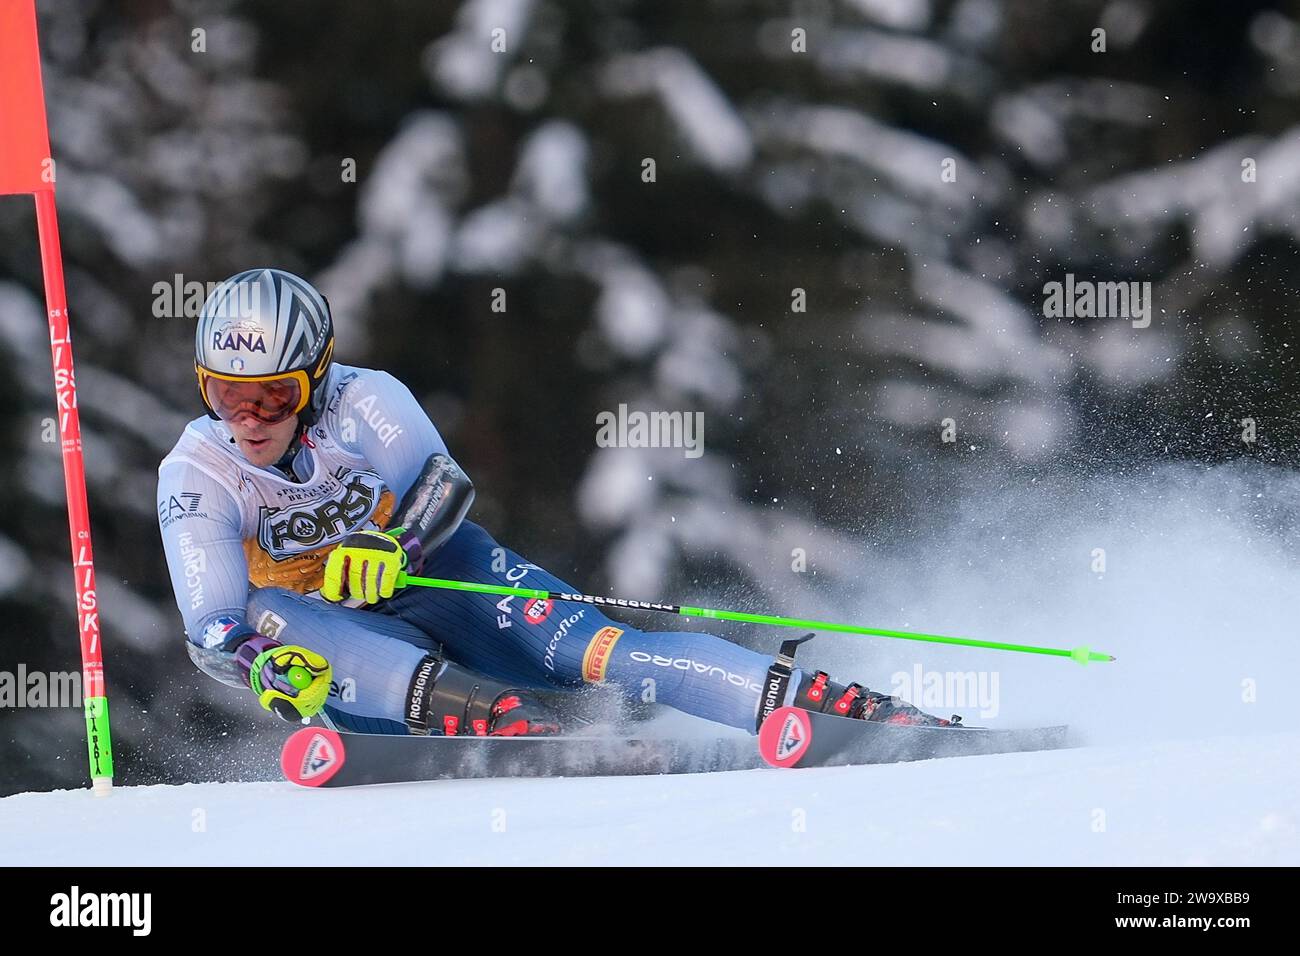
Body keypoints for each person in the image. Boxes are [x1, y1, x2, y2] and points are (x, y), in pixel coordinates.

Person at [157, 268, 954, 737]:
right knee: (268, 613)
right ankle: (484, 715)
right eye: (227, 397)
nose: (251, 419)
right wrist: (257, 664)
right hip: (347, 651)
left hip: (443, 579)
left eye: (274, 395)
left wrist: (394, 546)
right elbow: (212, 623)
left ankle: (827, 705)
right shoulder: (196, 473)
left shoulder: (366, 400)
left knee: (605, 655)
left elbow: (444, 485)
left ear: (318, 376)